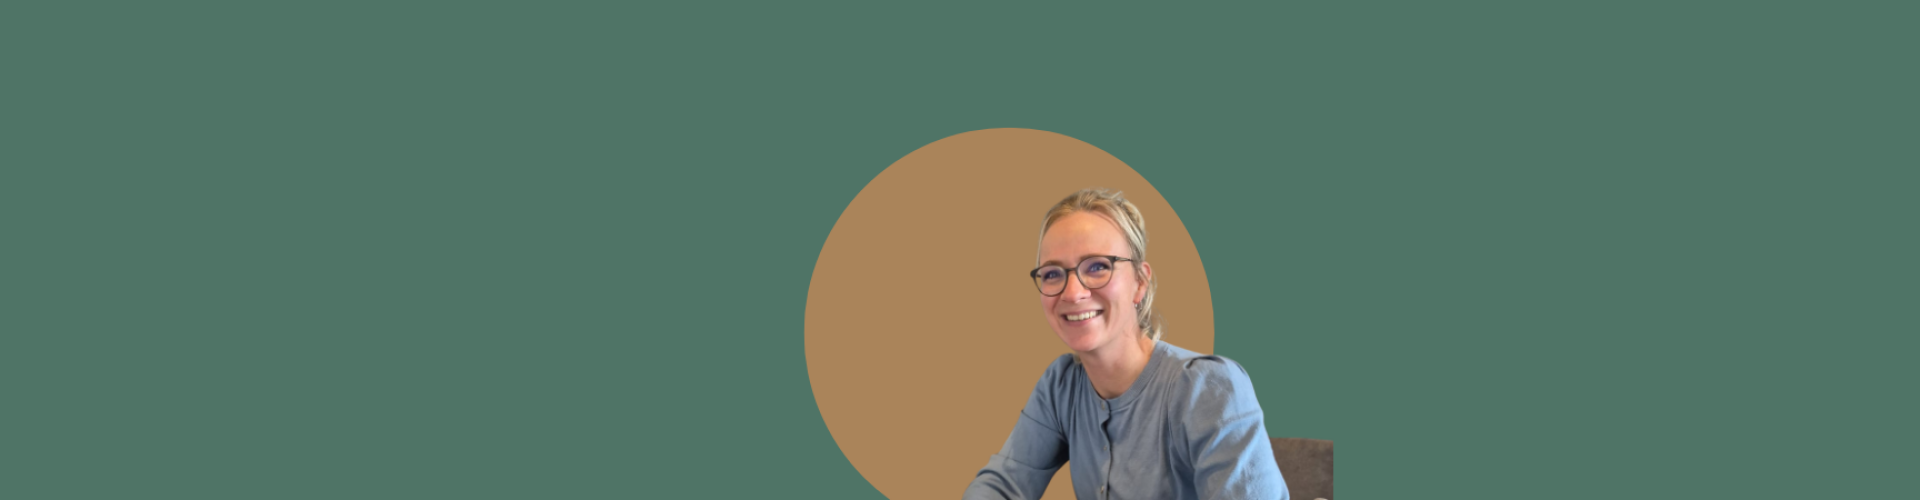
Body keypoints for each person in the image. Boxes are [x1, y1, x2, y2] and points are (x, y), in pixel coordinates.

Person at [963, 188, 1288, 500]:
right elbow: (1003, 485)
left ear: (1139, 282)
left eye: (1097, 267)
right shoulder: (1061, 387)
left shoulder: (1208, 388)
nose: (1072, 293)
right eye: (1052, 274)